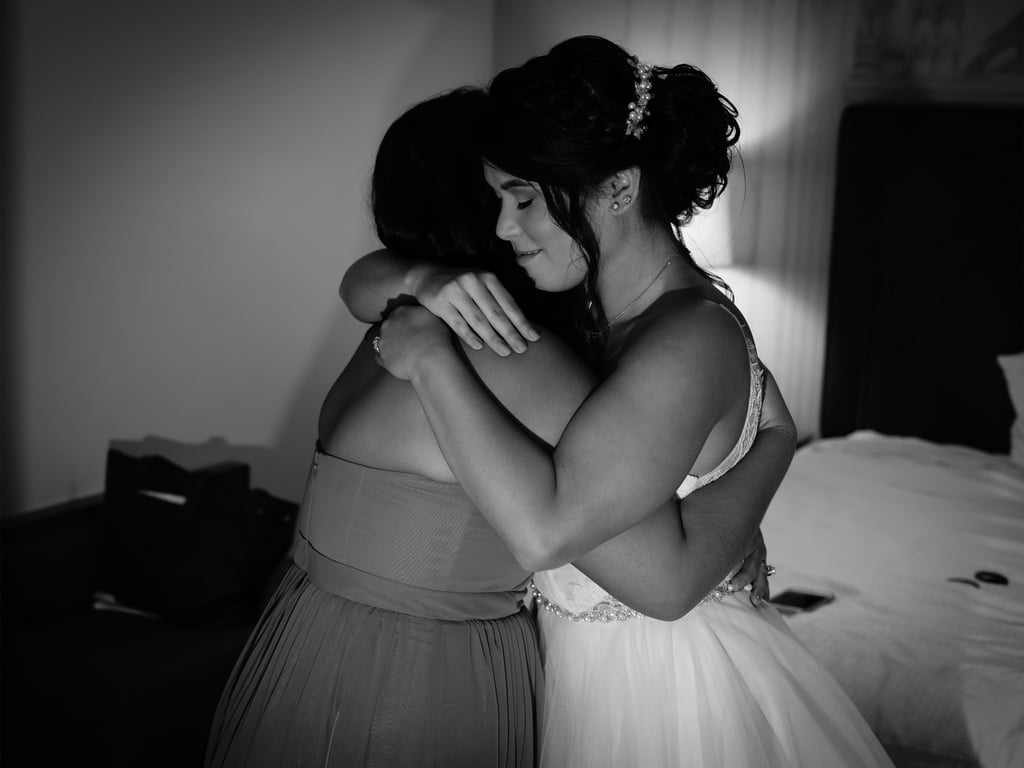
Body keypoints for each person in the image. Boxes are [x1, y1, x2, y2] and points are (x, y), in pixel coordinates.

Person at [205, 86, 792, 768]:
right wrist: (766, 459)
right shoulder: (512, 352)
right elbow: (662, 565)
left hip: (302, 644)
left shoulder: (386, 326)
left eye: (528, 196)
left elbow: (359, 282)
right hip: (426, 680)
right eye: (512, 195)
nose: (521, 222)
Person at [371, 37, 896, 767]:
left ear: (619, 189)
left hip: (664, 697)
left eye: (523, 199)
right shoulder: (611, 319)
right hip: (591, 676)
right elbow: (771, 423)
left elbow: (548, 531)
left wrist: (431, 361)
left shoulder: (684, 338)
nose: (503, 228)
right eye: (499, 199)